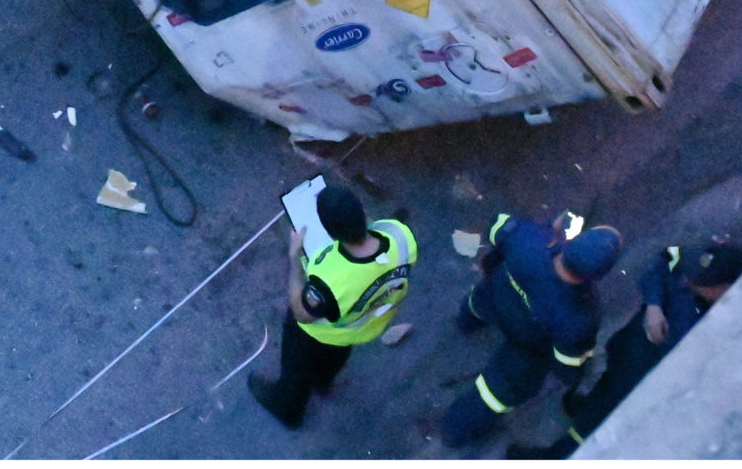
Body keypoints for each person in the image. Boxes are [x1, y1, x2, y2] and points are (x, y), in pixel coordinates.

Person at [510, 240, 742, 457]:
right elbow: (660, 267)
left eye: (698, 282)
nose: (686, 281)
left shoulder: (727, 327)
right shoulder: (703, 260)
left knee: (601, 418)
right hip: (629, 351)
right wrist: (654, 305)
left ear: (724, 289)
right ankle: (588, 408)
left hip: (647, 377)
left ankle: (558, 457)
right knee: (605, 389)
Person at [440, 213, 619, 448]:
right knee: (495, 395)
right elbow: (567, 364)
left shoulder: (529, 237)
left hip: (494, 299)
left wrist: (547, 231)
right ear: (595, 276)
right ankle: (454, 431)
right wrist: (574, 378)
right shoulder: (581, 316)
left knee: (475, 304)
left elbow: (497, 227)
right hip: (525, 348)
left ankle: (465, 324)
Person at [248, 183, 417, 428]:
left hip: (320, 333)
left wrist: (294, 256)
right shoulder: (400, 235)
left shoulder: (330, 279)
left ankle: (288, 409)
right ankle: (323, 383)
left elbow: (302, 313)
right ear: (363, 212)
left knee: (297, 369)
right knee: (333, 359)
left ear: (330, 233)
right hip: (359, 328)